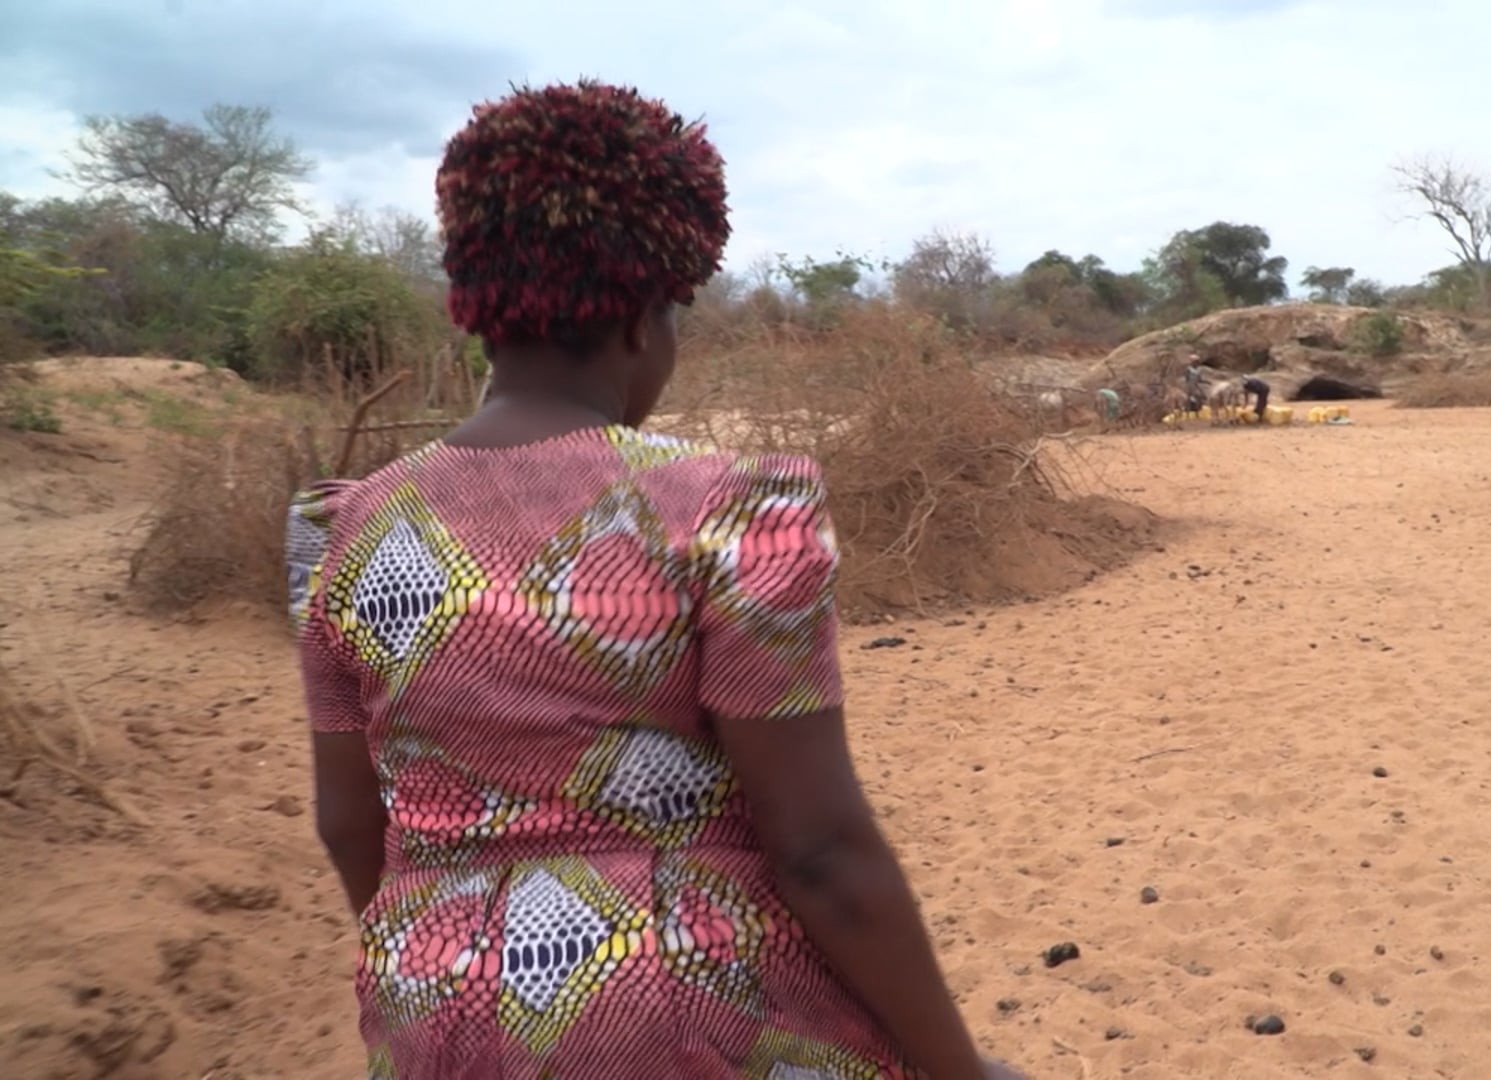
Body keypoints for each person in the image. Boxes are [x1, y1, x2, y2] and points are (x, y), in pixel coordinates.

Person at [288, 80, 1025, 1080]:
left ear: (481, 310)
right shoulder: (732, 513)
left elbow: (348, 824)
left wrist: (452, 949)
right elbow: (818, 851)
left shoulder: (342, 529)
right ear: (643, 321)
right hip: (688, 1006)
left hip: (432, 1006)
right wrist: (963, 1071)